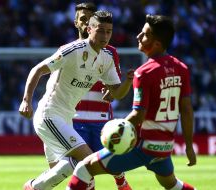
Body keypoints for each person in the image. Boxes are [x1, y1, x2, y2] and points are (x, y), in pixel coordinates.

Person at [67, 14, 197, 190]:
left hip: (142, 147)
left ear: (156, 44)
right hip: (164, 147)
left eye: (144, 34)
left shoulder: (144, 72)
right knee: (172, 184)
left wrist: (116, 130)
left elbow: (138, 115)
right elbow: (187, 110)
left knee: (84, 169)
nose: (138, 36)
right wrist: (189, 146)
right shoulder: (181, 68)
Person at [19, 10, 133, 190]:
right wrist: (26, 100)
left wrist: (128, 81)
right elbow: (38, 69)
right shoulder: (73, 50)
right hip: (49, 115)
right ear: (89, 29)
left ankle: (34, 187)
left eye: (109, 31)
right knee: (87, 161)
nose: (105, 36)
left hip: (66, 119)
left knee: (70, 165)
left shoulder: (106, 58)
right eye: (100, 30)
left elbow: (117, 93)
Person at [73, 3, 131, 190]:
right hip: (75, 119)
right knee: (82, 168)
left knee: (111, 163)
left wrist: (114, 91)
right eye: (83, 19)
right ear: (77, 22)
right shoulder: (68, 50)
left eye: (90, 19)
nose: (86, 23)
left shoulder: (110, 52)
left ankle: (120, 180)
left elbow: (115, 88)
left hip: (101, 119)